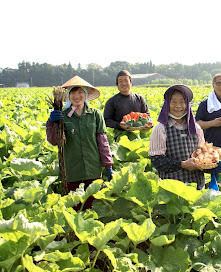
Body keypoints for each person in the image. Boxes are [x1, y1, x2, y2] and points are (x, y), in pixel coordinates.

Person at [46, 76, 113, 209]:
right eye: (73, 93)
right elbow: (54, 141)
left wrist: (108, 165)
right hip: (71, 170)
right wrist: (51, 123)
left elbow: (102, 142)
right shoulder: (61, 116)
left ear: (86, 94)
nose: (77, 96)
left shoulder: (95, 115)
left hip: (93, 168)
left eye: (80, 92)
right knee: (74, 207)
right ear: (67, 96)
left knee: (93, 206)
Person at [149, 85, 221, 190]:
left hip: (197, 187)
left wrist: (212, 165)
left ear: (187, 104)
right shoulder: (161, 128)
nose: (178, 106)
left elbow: (201, 157)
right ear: (167, 104)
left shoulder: (196, 128)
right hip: (172, 190)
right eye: (173, 102)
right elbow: (157, 161)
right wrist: (183, 164)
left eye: (182, 101)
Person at [104, 70, 151, 139]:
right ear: (117, 84)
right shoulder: (111, 101)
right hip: (119, 138)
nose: (123, 83)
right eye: (120, 81)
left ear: (131, 82)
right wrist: (119, 125)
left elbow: (147, 115)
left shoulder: (140, 99)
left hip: (139, 138)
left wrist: (150, 123)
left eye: (126, 80)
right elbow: (106, 120)